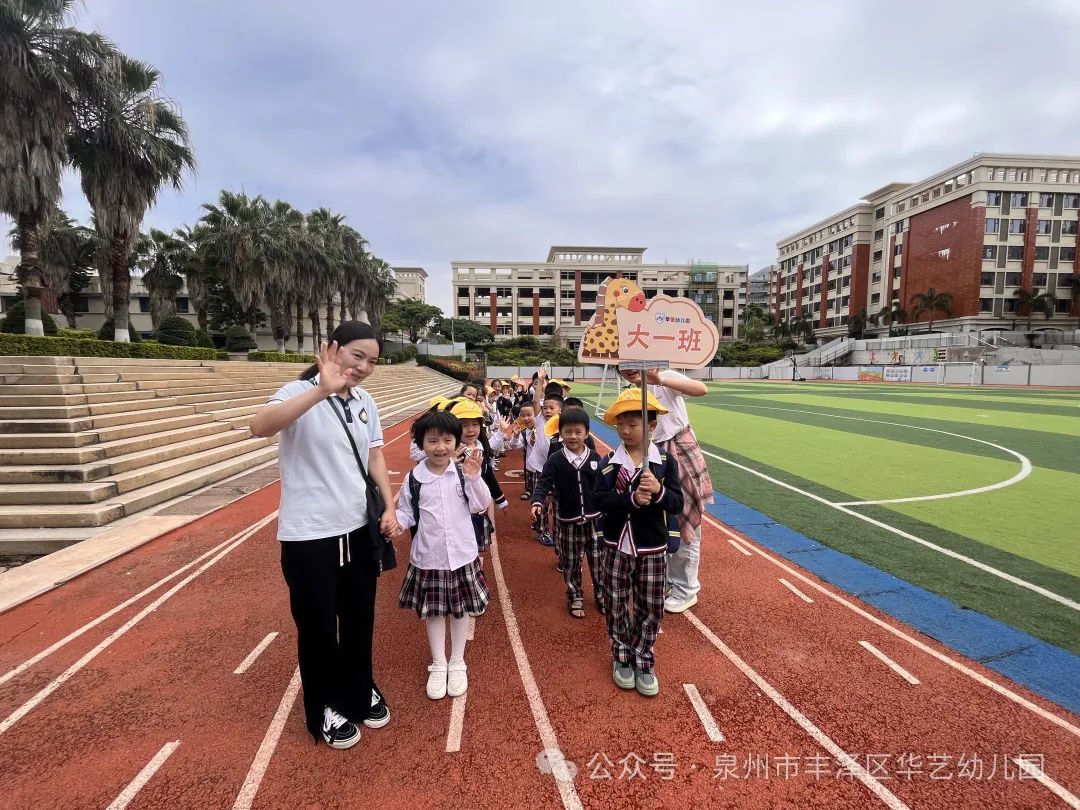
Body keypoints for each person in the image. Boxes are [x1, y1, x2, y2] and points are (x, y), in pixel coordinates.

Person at [250, 321, 395, 750]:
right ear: (332, 349)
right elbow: (259, 426)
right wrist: (320, 391)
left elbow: (375, 456)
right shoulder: (299, 394)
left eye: (372, 361)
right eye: (357, 356)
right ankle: (325, 706)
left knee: (359, 620)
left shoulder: (366, 401)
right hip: (309, 537)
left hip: (358, 530)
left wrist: (387, 505)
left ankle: (359, 686)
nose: (365, 367)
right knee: (316, 628)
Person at [395, 409, 492, 700]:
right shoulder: (414, 478)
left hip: (461, 555)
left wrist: (475, 478)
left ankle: (458, 661)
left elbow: (480, 505)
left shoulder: (463, 473)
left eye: (447, 440)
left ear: (456, 442)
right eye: (433, 441)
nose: (440, 447)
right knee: (435, 612)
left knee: (460, 610)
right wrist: (394, 524)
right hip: (429, 557)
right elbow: (406, 512)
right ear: (421, 444)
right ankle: (438, 663)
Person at [593, 387, 683, 697]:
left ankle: (644, 658)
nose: (627, 430)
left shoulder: (665, 464)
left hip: (653, 549)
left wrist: (657, 491)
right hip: (617, 546)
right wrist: (630, 499)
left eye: (635, 423)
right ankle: (621, 657)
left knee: (651, 606)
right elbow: (600, 502)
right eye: (621, 424)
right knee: (616, 604)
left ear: (652, 425)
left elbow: (676, 504)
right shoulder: (608, 465)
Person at [621, 367, 713, 614]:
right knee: (663, 519)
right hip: (654, 454)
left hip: (678, 451)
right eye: (622, 365)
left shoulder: (664, 377)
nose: (627, 369)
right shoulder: (633, 391)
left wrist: (659, 379)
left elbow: (701, 389)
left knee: (685, 522)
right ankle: (671, 581)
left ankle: (687, 589)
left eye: (631, 363)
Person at [530, 408, 605, 618]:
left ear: (587, 433)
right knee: (571, 562)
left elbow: (603, 487)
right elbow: (544, 483)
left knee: (599, 561)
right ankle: (575, 595)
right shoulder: (555, 459)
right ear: (560, 433)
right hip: (567, 521)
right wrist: (537, 500)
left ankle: (601, 594)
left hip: (594, 521)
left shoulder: (594, 458)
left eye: (578, 432)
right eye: (568, 431)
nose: (573, 436)